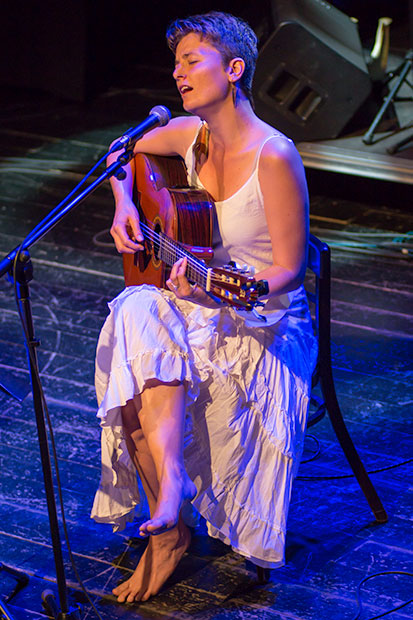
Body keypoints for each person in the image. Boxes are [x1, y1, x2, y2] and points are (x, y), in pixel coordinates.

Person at [91, 11, 317, 604]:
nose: (178, 73)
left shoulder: (275, 154)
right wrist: (125, 207)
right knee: (136, 308)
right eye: (176, 63)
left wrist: (223, 288)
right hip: (196, 303)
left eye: (192, 61)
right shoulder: (190, 134)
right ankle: (169, 508)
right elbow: (119, 152)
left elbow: (290, 272)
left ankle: (170, 521)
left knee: (142, 333)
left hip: (259, 320)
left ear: (234, 68)